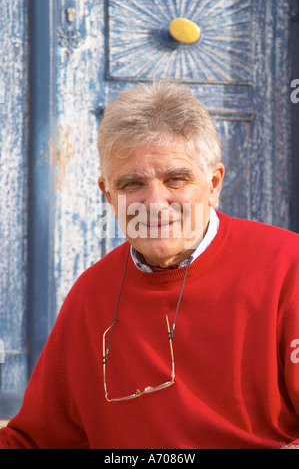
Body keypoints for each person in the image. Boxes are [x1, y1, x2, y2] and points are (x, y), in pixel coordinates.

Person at [0, 80, 299, 449]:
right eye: (132, 185)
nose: (154, 203)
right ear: (108, 195)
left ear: (214, 183)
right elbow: (34, 440)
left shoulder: (289, 268)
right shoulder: (90, 295)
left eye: (176, 179)